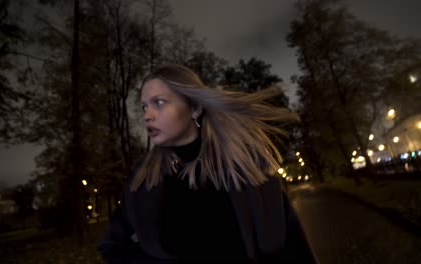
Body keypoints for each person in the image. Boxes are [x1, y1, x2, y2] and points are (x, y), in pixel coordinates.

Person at [97, 64, 317, 263]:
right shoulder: (143, 178)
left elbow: (293, 248)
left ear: (194, 108)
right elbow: (113, 246)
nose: (147, 115)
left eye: (159, 103)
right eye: (144, 106)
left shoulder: (245, 167)